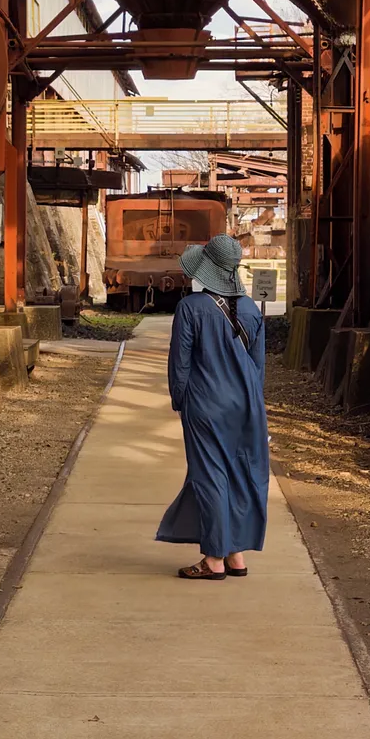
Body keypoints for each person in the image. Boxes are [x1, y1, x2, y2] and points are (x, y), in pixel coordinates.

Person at [155, 233, 268, 579]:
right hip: (247, 405)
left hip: (205, 405)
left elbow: (181, 365)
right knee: (239, 475)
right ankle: (237, 556)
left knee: (210, 477)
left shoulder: (190, 308)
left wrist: (180, 401)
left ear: (207, 270)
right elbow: (258, 367)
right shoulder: (251, 309)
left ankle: (214, 560)